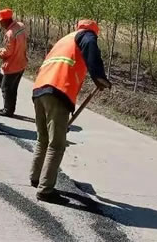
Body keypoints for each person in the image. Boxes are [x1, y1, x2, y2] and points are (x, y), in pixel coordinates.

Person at [30, 19, 112, 204]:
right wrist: (99, 77)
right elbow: (90, 47)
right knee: (56, 144)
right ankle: (45, 190)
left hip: (39, 89)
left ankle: (36, 178)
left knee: (43, 139)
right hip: (58, 91)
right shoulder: (86, 36)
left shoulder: (66, 39)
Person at [0, 8, 28, 116]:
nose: (1, 24)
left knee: (6, 87)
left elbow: (8, 52)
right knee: (13, 88)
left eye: (1, 22)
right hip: (21, 62)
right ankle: (10, 109)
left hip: (12, 65)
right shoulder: (21, 26)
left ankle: (7, 110)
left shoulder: (9, 34)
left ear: (5, 20)